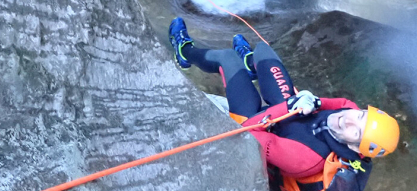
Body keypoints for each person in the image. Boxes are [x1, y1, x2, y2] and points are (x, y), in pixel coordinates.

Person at [168, 17, 400, 191]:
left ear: (353, 148)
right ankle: (252, 66)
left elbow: (246, 132)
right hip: (290, 113)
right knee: (262, 51)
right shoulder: (349, 109)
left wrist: (288, 107)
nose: (349, 119)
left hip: (260, 125)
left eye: (356, 131)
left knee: (227, 59)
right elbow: (339, 103)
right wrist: (315, 101)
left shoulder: (305, 159)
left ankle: (184, 52)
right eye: (361, 116)